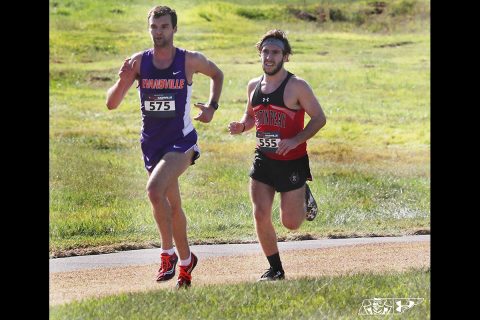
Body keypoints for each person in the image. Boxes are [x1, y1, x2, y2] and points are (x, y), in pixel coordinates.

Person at [106, 5, 223, 289]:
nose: (158, 32)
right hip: (152, 144)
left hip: (181, 141)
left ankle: (167, 253)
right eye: (154, 27)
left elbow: (217, 74)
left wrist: (211, 107)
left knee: (153, 190)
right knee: (172, 206)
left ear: (174, 29)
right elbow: (111, 103)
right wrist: (123, 79)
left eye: (164, 27)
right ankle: (186, 264)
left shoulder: (188, 60)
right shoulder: (137, 62)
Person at [228, 29, 326, 281]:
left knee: (291, 223)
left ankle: (302, 192)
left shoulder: (297, 86)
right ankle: (276, 269)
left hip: (292, 161)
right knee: (260, 213)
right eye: (265, 52)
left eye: (275, 52)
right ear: (259, 54)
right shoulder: (253, 85)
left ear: (285, 56)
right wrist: (241, 126)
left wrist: (295, 140)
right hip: (263, 158)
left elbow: (319, 118)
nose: (269, 57)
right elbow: (251, 116)